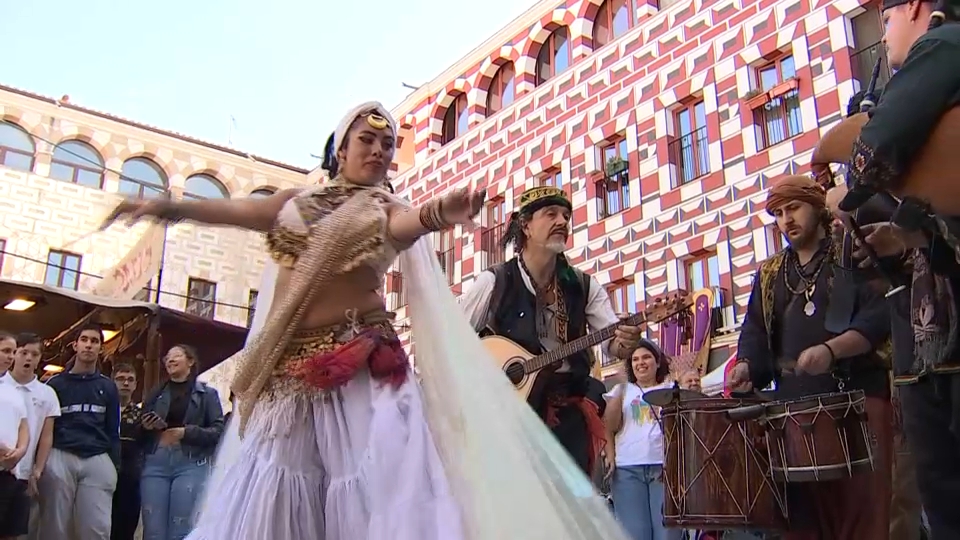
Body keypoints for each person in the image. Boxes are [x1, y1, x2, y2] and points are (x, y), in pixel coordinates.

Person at [103, 102, 480, 540]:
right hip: (290, 375)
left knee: (375, 488)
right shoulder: (294, 204)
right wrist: (164, 208)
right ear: (340, 149)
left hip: (358, 367)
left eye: (388, 145)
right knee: (273, 492)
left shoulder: (385, 207)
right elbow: (230, 211)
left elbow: (408, 224)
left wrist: (442, 213)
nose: (379, 150)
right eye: (367, 140)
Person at [839, 2, 960, 538]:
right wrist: (907, 234)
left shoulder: (943, 45)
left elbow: (871, 153)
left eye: (883, 19)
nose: (883, 35)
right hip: (930, 333)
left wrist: (845, 177)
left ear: (914, 5)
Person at [727, 175, 893, 540]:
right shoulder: (770, 273)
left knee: (864, 519)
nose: (786, 219)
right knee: (803, 524)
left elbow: (878, 316)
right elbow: (755, 332)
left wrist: (832, 350)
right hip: (792, 411)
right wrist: (746, 367)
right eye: (779, 213)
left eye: (794, 208)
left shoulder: (851, 252)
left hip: (858, 402)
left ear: (817, 209)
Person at [458, 185, 643, 476]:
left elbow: (613, 345)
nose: (562, 222)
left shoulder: (583, 286)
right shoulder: (494, 282)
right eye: (551, 214)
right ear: (526, 226)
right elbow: (453, 342)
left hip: (567, 417)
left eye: (566, 216)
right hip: (507, 420)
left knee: (572, 509)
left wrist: (626, 343)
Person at [38, 325, 121, 540]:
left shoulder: (108, 387)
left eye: (94, 341)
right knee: (54, 524)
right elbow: (46, 428)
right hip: (60, 453)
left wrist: (115, 464)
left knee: (96, 526)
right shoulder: (55, 384)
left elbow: (113, 429)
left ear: (101, 348)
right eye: (84, 339)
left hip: (96, 456)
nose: (89, 345)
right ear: (75, 345)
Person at [602, 340, 686, 540]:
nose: (641, 363)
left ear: (657, 362)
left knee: (667, 534)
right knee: (635, 533)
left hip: (664, 469)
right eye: (635, 359)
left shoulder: (672, 389)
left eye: (646, 357)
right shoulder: (622, 391)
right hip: (628, 470)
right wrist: (611, 457)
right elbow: (607, 427)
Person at [140, 346, 223, 540]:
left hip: (190, 462)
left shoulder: (207, 394)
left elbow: (218, 431)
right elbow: (140, 429)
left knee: (182, 528)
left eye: (176, 355)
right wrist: (146, 426)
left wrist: (186, 432)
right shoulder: (156, 392)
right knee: (153, 530)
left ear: (190, 361)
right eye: (167, 357)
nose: (170, 360)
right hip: (156, 461)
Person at [5, 333, 60, 540]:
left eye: (34, 354)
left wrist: (37, 470)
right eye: (23, 352)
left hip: (23, 473)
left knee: (14, 530)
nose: (28, 358)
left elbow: (46, 435)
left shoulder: (47, 394)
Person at [0, 331, 30, 540]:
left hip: (11, 473)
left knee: (11, 531)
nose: (10, 357)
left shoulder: (13, 390)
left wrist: (19, 452)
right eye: (5, 351)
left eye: (13, 352)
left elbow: (24, 427)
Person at [110, 363, 143, 540]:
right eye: (121, 379)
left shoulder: (141, 415)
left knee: (126, 527)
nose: (125, 383)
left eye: (130, 380)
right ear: (112, 381)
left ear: (136, 384)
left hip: (130, 477)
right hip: (104, 472)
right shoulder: (104, 411)